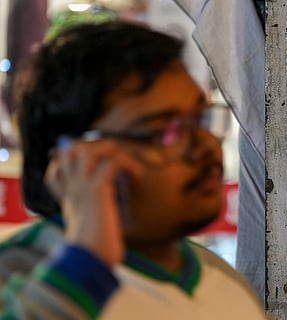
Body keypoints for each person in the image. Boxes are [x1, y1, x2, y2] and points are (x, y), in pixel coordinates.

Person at [0, 22, 267, 319]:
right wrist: (87, 261)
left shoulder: (225, 285)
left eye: (200, 118)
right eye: (162, 131)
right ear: (75, 159)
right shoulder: (18, 277)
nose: (205, 145)